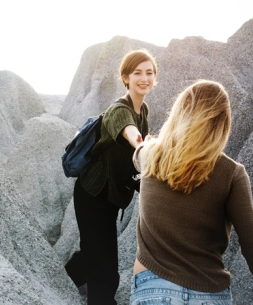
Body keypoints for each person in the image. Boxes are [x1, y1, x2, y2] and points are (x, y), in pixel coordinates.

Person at [130, 80, 253, 305]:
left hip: (152, 290)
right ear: (221, 124)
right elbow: (252, 240)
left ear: (179, 113)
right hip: (208, 295)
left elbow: (138, 153)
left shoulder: (149, 156)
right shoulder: (232, 174)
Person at [65, 49, 157, 305]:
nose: (144, 78)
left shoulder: (143, 111)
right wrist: (145, 148)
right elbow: (132, 136)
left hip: (110, 197)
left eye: (149, 73)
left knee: (96, 251)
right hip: (93, 194)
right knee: (105, 263)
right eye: (137, 73)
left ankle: (62, 279)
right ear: (125, 78)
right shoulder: (120, 110)